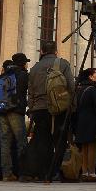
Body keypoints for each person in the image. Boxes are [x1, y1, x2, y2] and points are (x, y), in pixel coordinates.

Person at [20, 40, 74, 182]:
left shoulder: (34, 68)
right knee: (60, 140)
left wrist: (31, 110)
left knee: (43, 141)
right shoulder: (63, 64)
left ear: (42, 51)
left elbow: (30, 93)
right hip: (59, 108)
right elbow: (71, 86)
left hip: (39, 109)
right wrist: (71, 107)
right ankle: (54, 171)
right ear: (56, 51)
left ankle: (44, 173)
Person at [0, 53, 30, 182]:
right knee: (21, 142)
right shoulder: (22, 75)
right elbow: (26, 92)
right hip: (16, 111)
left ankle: (7, 173)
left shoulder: (5, 74)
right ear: (23, 63)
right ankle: (23, 173)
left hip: (2, 110)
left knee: (5, 143)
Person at [74, 68, 96, 181]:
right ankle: (91, 172)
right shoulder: (94, 89)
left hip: (80, 122)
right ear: (90, 76)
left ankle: (84, 171)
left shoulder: (79, 88)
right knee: (92, 147)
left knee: (84, 148)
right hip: (92, 121)